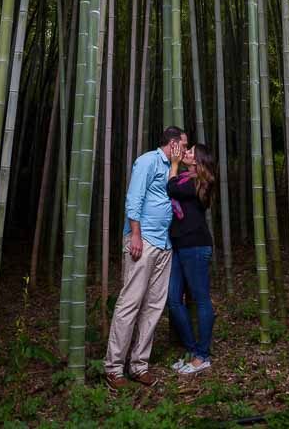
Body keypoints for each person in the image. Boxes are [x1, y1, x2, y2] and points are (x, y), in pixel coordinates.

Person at [104, 126, 188, 390]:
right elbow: (134, 199)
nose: (186, 150)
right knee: (130, 303)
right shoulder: (147, 161)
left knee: (154, 306)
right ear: (173, 144)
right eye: (184, 145)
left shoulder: (174, 168)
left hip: (164, 243)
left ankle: (139, 365)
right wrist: (136, 235)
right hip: (144, 241)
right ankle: (114, 368)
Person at [167, 142, 216, 374]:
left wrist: (174, 164)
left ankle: (203, 356)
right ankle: (193, 350)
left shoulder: (199, 182)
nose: (185, 153)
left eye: (190, 152)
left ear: (198, 160)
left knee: (201, 300)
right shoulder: (187, 178)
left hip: (195, 247)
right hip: (179, 246)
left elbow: (171, 188)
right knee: (173, 300)